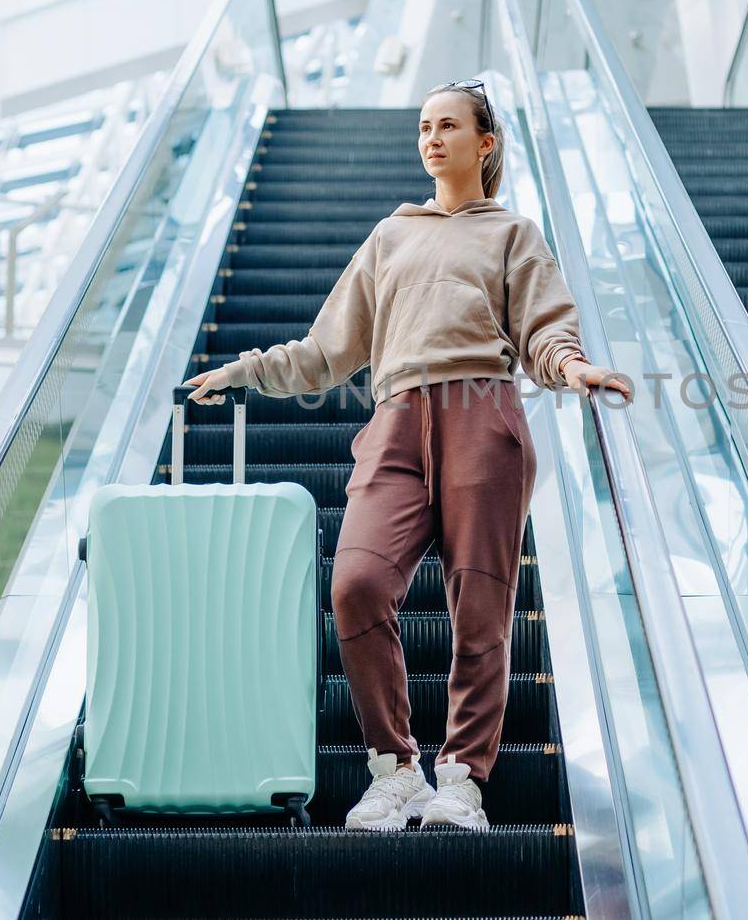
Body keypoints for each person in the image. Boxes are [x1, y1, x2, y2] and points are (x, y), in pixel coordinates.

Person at [183, 78, 632, 832]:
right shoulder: (391, 236)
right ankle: (395, 772)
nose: (431, 137)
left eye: (449, 125)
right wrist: (247, 369)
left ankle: (462, 782)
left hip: (481, 417)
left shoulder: (511, 234)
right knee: (356, 583)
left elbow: (545, 332)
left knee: (479, 605)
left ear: (484, 143)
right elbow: (326, 351)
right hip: (395, 422)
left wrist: (573, 367)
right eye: (424, 126)